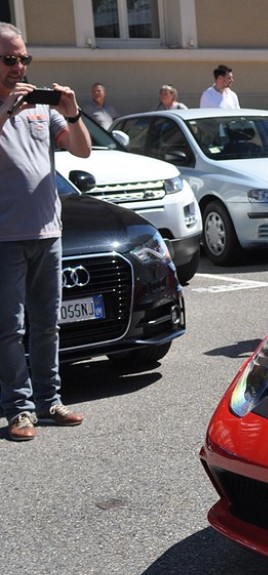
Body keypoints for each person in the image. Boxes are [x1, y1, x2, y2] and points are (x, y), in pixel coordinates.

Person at [0, 22, 92, 441]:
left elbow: (81, 148)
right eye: (9, 59)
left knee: (46, 324)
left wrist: (72, 111)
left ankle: (48, 402)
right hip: (5, 237)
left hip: (47, 233)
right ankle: (18, 408)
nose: (18, 67)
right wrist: (6, 112)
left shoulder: (42, 108)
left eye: (23, 59)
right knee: (9, 328)